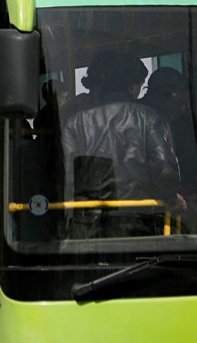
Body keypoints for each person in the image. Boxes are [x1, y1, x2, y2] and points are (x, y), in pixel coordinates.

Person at [61, 51, 182, 237]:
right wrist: (172, 198)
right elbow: (164, 171)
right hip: (143, 224)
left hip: (89, 229)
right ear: (131, 84)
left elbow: (66, 178)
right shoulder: (149, 118)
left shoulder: (75, 122)